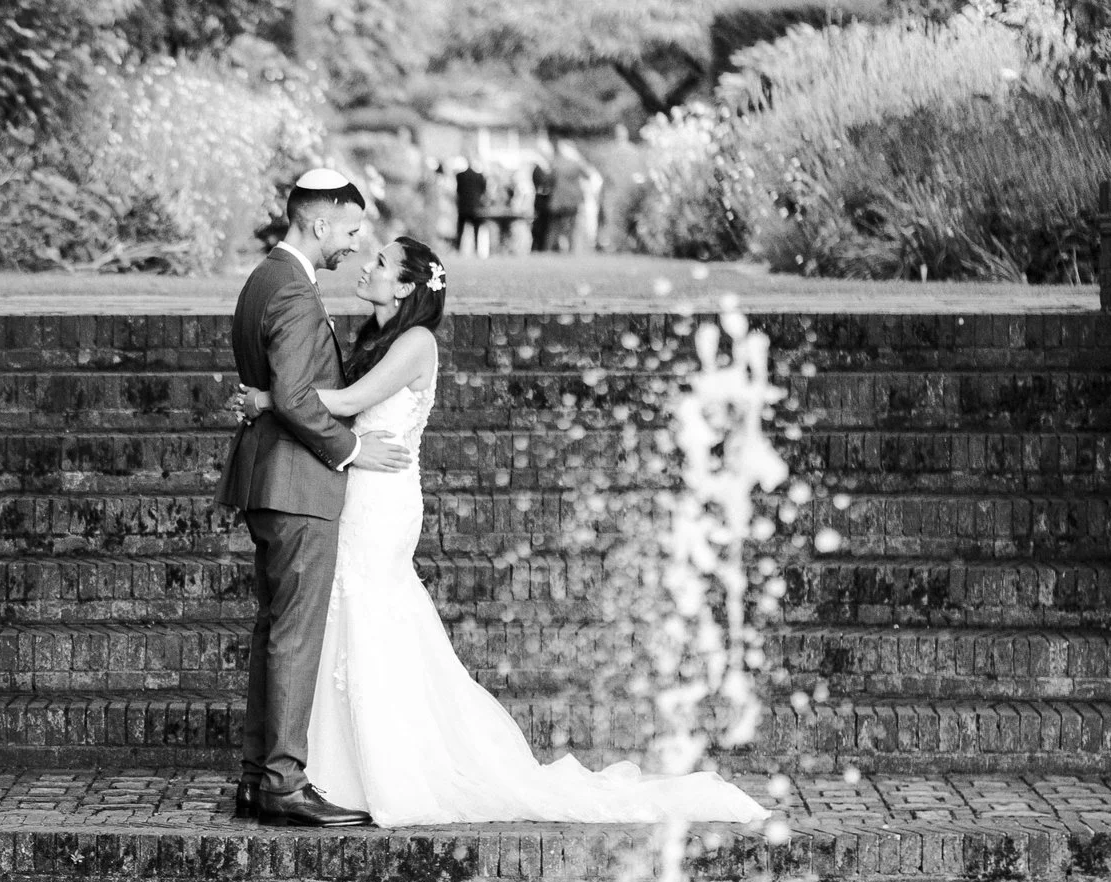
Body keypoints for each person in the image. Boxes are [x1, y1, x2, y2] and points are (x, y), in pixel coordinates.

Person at [239, 238, 767, 829]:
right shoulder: (372, 337)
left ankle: (369, 769)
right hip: (358, 488)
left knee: (365, 609)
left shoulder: (416, 343)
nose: (369, 266)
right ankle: (324, 767)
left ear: (408, 288)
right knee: (343, 616)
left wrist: (269, 398)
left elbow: (351, 401)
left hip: (382, 500)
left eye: (382, 264)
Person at [216, 170, 415, 829]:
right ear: (318, 221)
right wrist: (353, 451)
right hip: (299, 483)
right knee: (295, 636)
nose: (356, 245)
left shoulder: (265, 279)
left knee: (275, 630)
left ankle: (256, 775)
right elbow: (299, 397)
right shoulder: (296, 292)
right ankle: (281, 782)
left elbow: (282, 390)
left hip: (269, 481)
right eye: (352, 230)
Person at [452, 157, 488, 257]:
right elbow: (483, 191)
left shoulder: (460, 176)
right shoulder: (479, 176)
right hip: (475, 207)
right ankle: (476, 249)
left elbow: (458, 191)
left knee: (460, 230)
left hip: (463, 207)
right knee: (476, 230)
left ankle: (458, 249)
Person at [531, 158, 556, 255]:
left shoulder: (542, 170)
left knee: (544, 227)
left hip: (543, 204)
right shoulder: (538, 170)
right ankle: (539, 248)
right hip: (541, 205)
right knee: (540, 228)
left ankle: (542, 248)